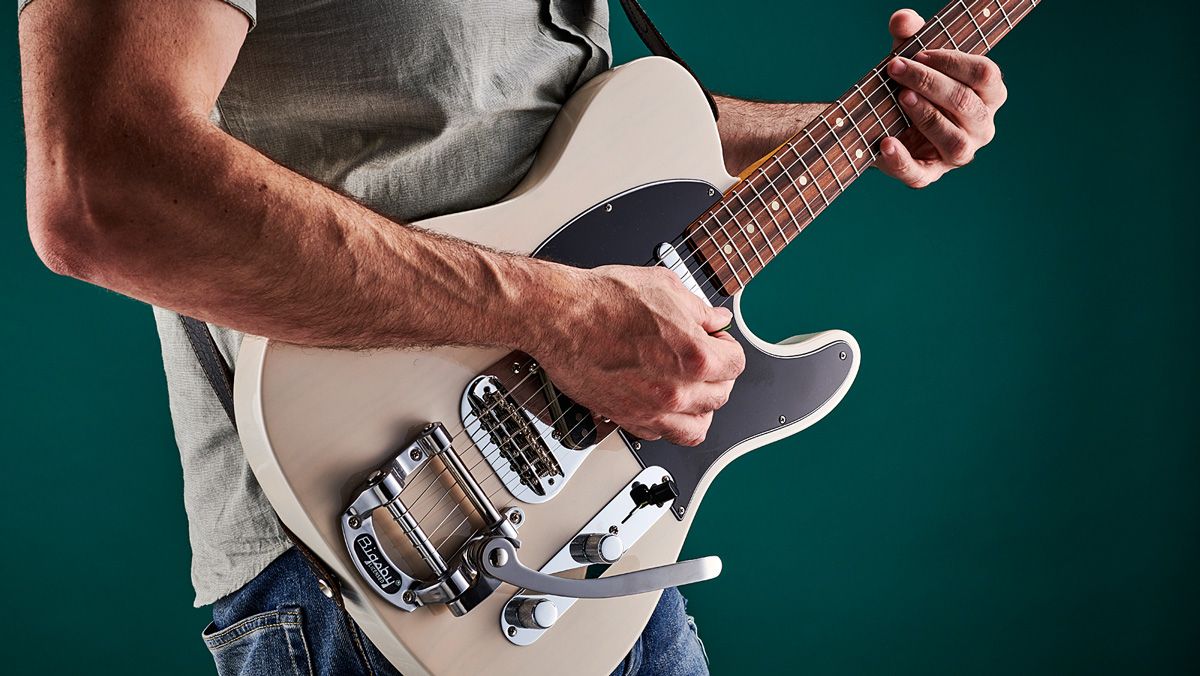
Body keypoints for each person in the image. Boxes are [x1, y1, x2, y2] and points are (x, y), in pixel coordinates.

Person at [17, 1, 1008, 673]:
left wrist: (857, 126)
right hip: (368, 559)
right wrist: (558, 314)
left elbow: (556, 121)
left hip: (601, 557)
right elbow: (101, 184)